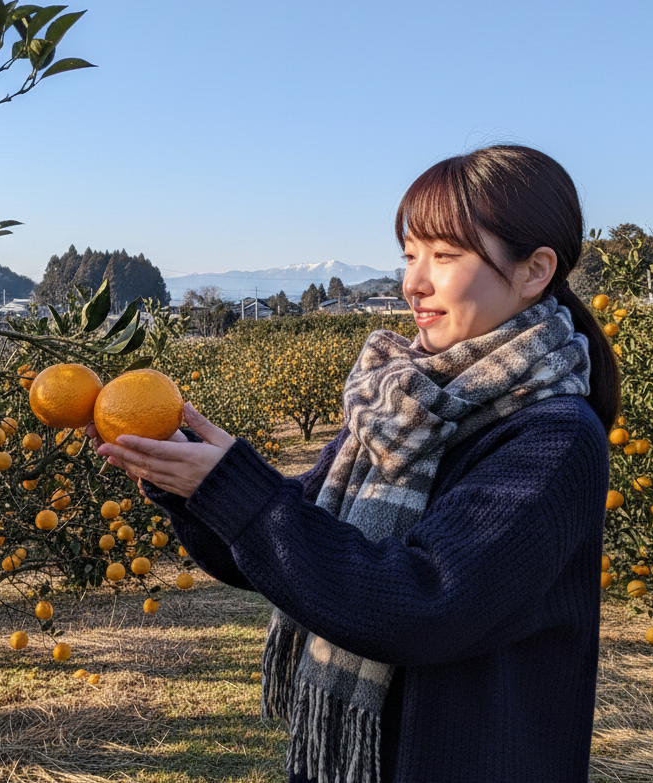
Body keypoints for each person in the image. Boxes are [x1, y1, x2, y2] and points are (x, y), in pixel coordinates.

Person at [91, 144, 619, 783]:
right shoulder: (394, 403)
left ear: (535, 270)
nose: (413, 284)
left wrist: (238, 489)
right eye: (410, 255)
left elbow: (424, 602)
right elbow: (287, 556)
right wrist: (190, 482)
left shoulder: (554, 438)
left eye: (445, 256)